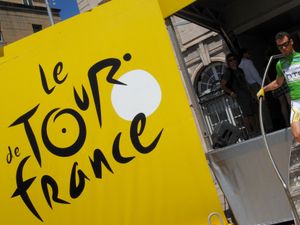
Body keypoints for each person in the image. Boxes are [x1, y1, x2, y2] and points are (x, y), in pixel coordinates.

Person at [257, 31, 300, 142]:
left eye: (286, 44)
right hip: (296, 103)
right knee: (297, 134)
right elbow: (277, 83)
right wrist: (263, 89)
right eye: (280, 47)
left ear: (291, 42)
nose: (284, 48)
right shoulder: (280, 64)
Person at [221, 53, 258, 137]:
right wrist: (231, 93)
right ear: (228, 62)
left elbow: (245, 81)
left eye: (234, 59)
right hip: (239, 94)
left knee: (251, 112)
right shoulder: (228, 72)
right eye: (230, 60)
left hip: (246, 93)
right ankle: (250, 132)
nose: (233, 61)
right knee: (246, 113)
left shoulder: (240, 70)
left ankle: (255, 130)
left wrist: (251, 92)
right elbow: (222, 85)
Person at [239, 48, 273, 132]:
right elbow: (255, 74)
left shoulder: (240, 65)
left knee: (259, 107)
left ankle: (263, 127)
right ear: (244, 54)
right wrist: (262, 85)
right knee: (264, 106)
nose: (249, 54)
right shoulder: (248, 62)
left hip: (250, 87)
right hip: (256, 85)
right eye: (247, 52)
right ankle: (269, 127)